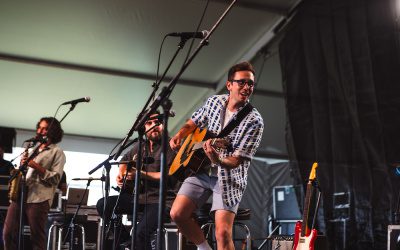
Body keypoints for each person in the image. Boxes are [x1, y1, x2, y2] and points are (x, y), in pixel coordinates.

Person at [169, 61, 264, 250]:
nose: (247, 87)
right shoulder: (214, 102)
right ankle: (204, 248)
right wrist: (180, 134)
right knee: (177, 214)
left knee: (222, 233)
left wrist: (218, 160)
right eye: (242, 82)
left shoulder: (255, 121)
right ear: (229, 85)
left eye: (250, 84)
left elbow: (237, 160)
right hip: (201, 170)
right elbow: (194, 121)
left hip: (228, 178)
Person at [96, 111, 179, 250]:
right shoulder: (140, 146)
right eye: (149, 123)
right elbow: (124, 160)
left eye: (158, 123)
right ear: (143, 127)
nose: (154, 126)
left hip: (162, 201)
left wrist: (141, 174)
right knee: (103, 205)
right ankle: (126, 241)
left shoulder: (172, 146)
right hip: (139, 198)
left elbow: (169, 175)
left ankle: (134, 242)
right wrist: (122, 174)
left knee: (140, 233)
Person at [3, 117, 66, 250]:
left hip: (39, 199)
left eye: (44, 128)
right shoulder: (33, 149)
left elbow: (55, 178)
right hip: (20, 195)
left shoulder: (57, 152)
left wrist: (35, 166)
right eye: (39, 127)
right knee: (8, 233)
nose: (40, 130)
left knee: (36, 238)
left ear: (53, 131)